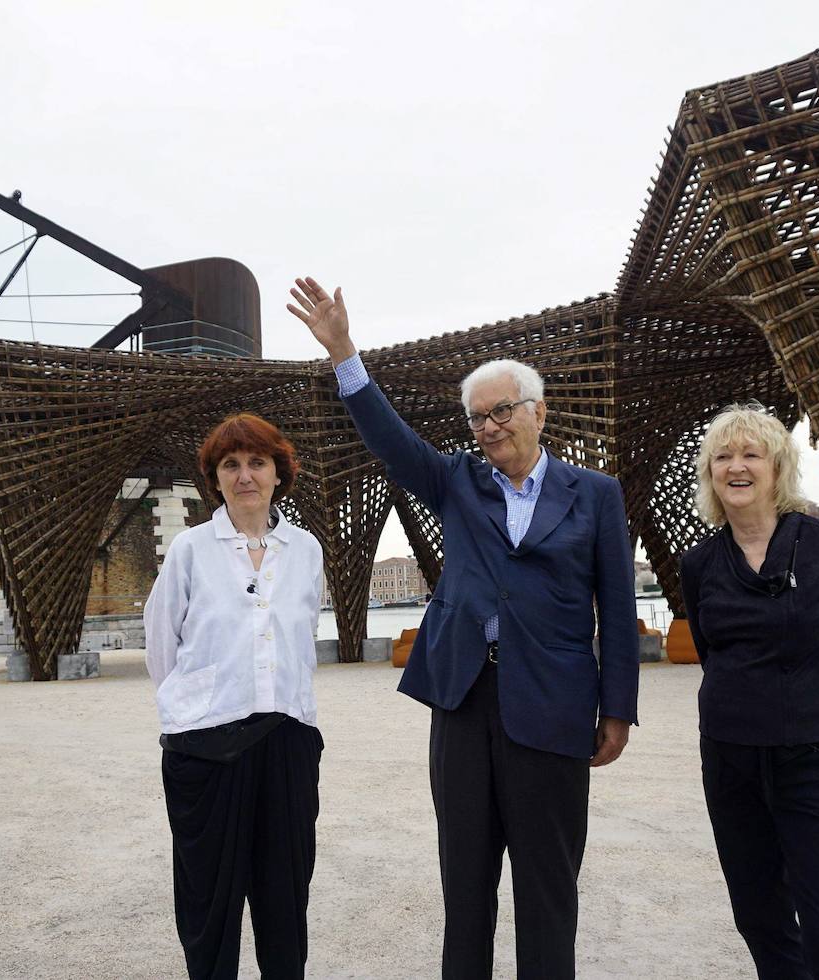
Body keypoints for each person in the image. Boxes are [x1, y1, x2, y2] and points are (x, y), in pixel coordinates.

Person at [288, 277, 638, 980]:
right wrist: (343, 352)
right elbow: (389, 440)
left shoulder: (595, 496)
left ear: (537, 412)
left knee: (548, 888)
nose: (488, 426)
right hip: (464, 702)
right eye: (477, 418)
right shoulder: (457, 482)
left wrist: (617, 709)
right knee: (465, 885)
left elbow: (621, 608)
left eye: (501, 411)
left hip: (553, 706)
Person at [679, 404, 819, 980]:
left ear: (778, 468)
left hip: (815, 759)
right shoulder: (699, 564)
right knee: (759, 915)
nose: (736, 467)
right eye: (723, 456)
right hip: (730, 761)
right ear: (710, 474)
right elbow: (711, 652)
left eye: (751, 454)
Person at [144, 413, 325, 980]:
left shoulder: (305, 550)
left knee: (284, 896)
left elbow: (300, 639)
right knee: (209, 902)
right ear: (215, 479)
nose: (245, 475)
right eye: (231, 465)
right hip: (206, 746)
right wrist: (199, 707)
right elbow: (160, 643)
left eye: (257, 462)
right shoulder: (191, 550)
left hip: (289, 739)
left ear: (278, 474)